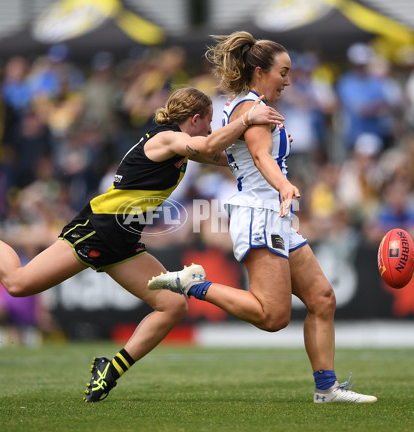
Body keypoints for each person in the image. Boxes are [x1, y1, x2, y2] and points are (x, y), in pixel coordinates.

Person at [0, 87, 284, 402]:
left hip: (123, 242)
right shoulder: (166, 138)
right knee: (18, 283)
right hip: (96, 229)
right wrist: (247, 117)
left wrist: (267, 148)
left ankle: (109, 370)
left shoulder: (183, 144)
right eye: (208, 121)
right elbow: (209, 145)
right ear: (193, 119)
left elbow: (225, 157)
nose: (210, 127)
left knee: (173, 306)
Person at [149, 31, 377, 403]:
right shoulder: (250, 109)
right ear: (259, 71)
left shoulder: (249, 105)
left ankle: (327, 389)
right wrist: (284, 186)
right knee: (273, 317)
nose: (288, 81)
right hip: (261, 214)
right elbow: (261, 157)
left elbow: (244, 157)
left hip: (275, 215)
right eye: (283, 73)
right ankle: (194, 286)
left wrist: (278, 187)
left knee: (322, 298)